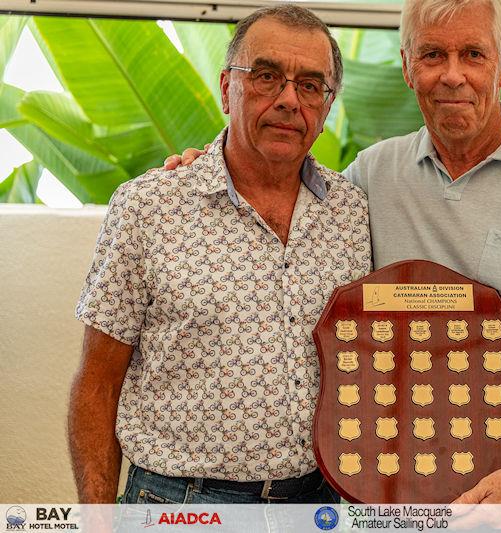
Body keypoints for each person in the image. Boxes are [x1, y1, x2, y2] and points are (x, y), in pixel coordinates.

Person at [166, 0, 501, 523]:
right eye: (432, 55)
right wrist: (208, 167)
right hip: (397, 509)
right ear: (406, 66)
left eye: (473, 54)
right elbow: (280, 189)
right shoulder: (372, 177)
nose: (453, 75)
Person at [70, 5, 371, 505]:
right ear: (226, 87)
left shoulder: (353, 213)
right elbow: (97, 383)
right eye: (267, 77)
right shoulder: (150, 208)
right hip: (180, 502)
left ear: (328, 103)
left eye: (310, 85)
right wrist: (98, 519)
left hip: (319, 505)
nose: (289, 100)